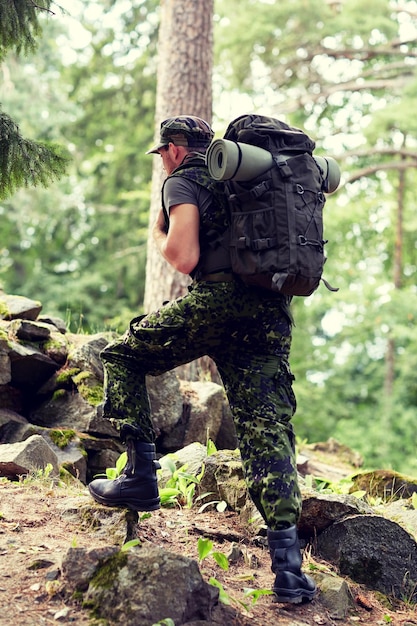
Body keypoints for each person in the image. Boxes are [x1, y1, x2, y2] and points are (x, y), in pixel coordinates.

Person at [88, 115, 317, 604]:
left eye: (162, 153)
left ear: (173, 148)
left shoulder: (183, 179)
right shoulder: (241, 180)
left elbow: (184, 255)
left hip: (217, 303)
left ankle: (140, 478)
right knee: (265, 426)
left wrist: (159, 234)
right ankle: (289, 572)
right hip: (269, 310)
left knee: (123, 357)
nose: (162, 161)